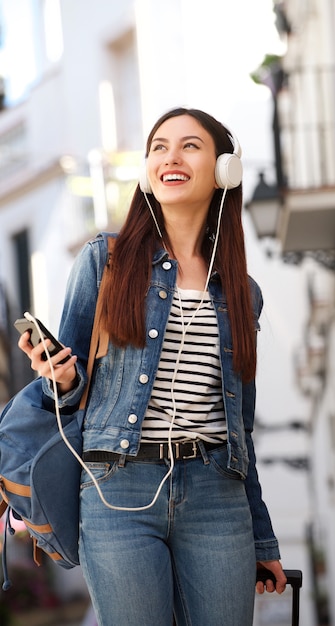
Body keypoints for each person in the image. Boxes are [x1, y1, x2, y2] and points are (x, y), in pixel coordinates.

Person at [18, 107, 287, 626]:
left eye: (190, 146)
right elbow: (68, 395)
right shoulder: (106, 261)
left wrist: (261, 533)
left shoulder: (241, 292)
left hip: (216, 493)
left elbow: (241, 429)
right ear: (147, 169)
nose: (171, 157)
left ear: (223, 169)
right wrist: (61, 378)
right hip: (117, 487)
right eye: (160, 146)